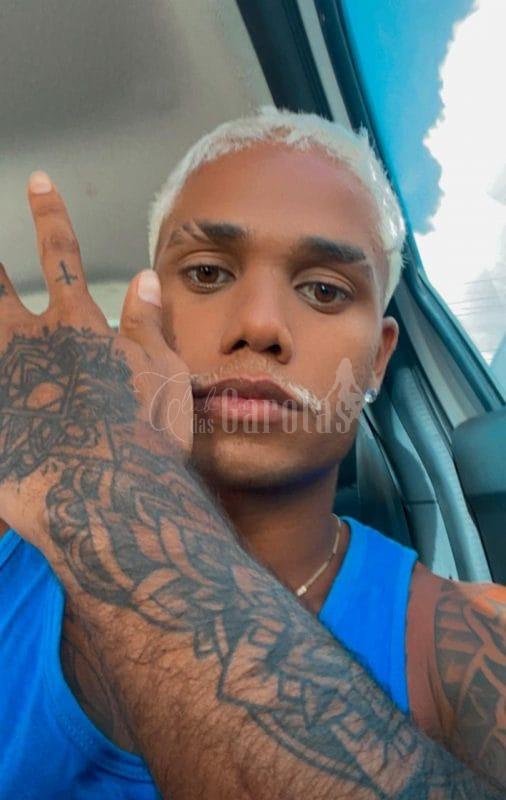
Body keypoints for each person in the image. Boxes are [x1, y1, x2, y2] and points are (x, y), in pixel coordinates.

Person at [0, 107, 504, 799]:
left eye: (324, 290)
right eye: (208, 274)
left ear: (378, 360)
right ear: (145, 317)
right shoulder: (13, 543)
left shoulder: (472, 643)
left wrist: (112, 506)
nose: (260, 325)